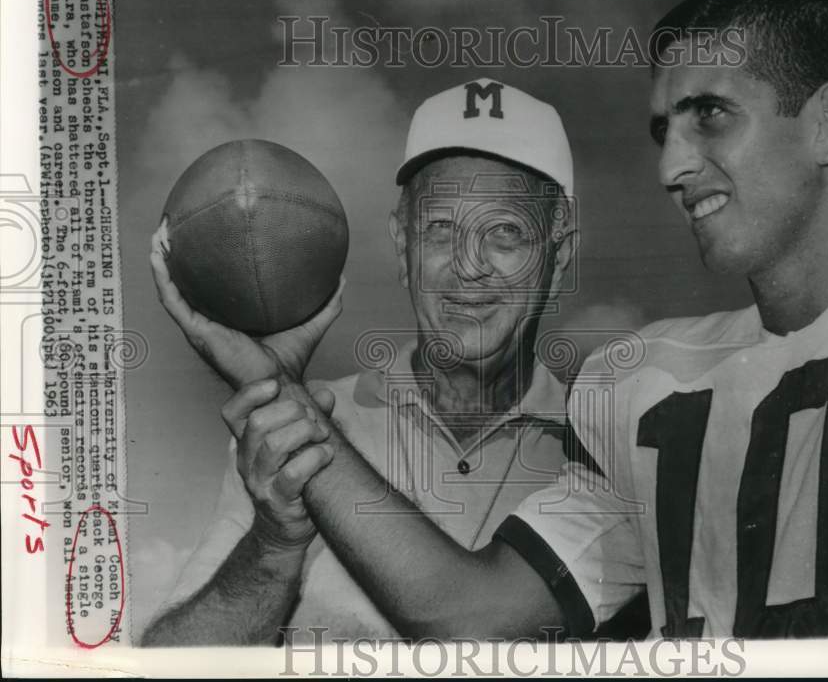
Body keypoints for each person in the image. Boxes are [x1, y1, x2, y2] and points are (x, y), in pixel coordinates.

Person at [153, 0, 828, 642]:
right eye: (661, 130)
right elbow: (470, 617)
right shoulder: (641, 395)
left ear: (827, 124)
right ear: (398, 242)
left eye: (709, 114)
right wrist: (285, 414)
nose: (673, 164)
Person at [141, 79, 583, 645]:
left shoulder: (610, 441)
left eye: (505, 232)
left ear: (560, 254)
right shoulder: (296, 420)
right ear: (402, 247)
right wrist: (275, 545)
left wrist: (273, 386)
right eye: (440, 230)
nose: (469, 268)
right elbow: (172, 663)